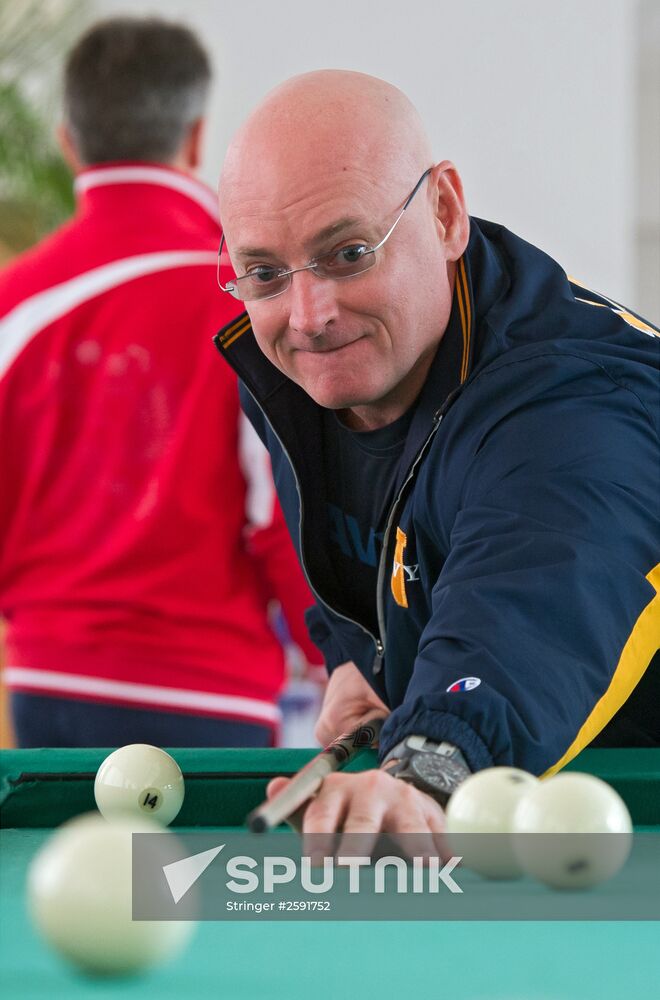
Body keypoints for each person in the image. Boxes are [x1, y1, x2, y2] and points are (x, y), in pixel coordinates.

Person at [215, 69, 659, 833]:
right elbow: (367, 527)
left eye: (348, 252)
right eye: (263, 272)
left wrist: (429, 762)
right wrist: (365, 658)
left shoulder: (576, 407)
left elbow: (536, 597)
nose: (308, 314)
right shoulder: (329, 366)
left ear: (446, 213)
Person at [0, 18, 322, 749]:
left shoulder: (13, 306)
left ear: (67, 143)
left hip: (49, 688)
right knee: (195, 872)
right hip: (212, 697)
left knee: (62, 869)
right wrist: (332, 659)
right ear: (198, 135)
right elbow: (285, 508)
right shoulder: (247, 299)